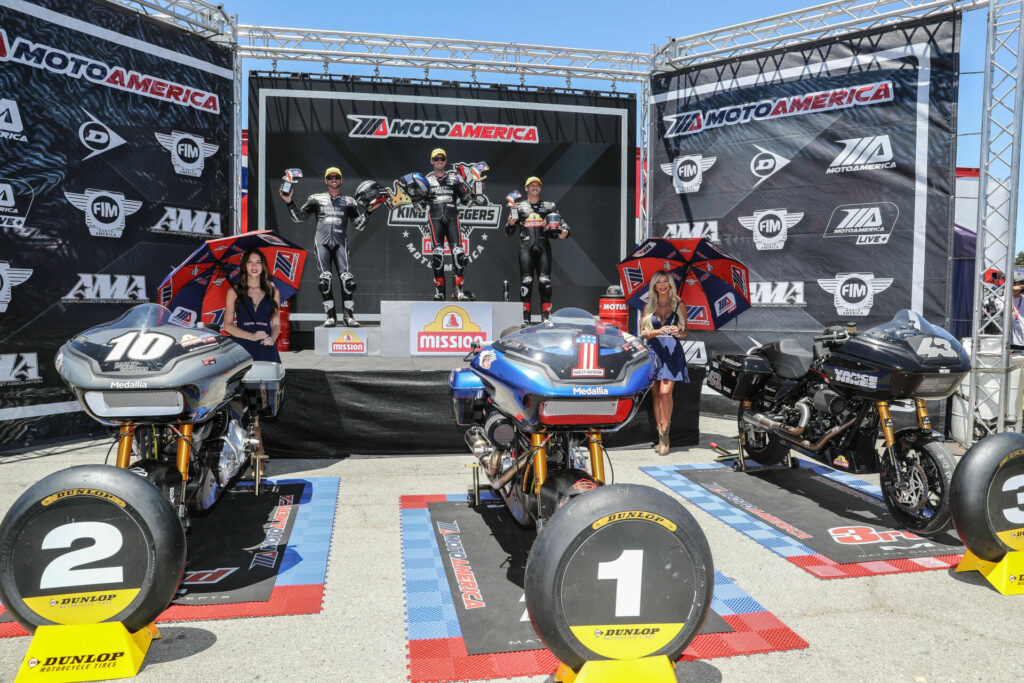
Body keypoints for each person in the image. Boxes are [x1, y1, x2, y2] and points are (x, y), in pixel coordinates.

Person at [280, 166, 379, 327]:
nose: (334, 180)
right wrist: (289, 202)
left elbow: (358, 226)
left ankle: (349, 316)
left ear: (341, 180)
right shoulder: (316, 199)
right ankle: (330, 316)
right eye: (330, 177)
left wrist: (369, 212)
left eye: (336, 177)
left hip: (340, 243)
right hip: (322, 244)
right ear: (326, 180)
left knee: (347, 279)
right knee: (324, 279)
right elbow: (298, 218)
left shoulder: (349, 201)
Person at [506, 176, 569, 324]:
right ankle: (525, 319)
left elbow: (563, 226)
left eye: (537, 185)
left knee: (544, 281)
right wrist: (510, 224)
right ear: (526, 188)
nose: (535, 187)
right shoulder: (518, 207)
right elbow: (508, 233)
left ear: (540, 188)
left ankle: (547, 319)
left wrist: (564, 232)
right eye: (531, 185)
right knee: (526, 281)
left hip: (543, 247)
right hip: (526, 247)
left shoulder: (549, 206)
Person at [638, 270, 688, 455]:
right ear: (654, 286)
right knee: (657, 395)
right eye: (658, 281)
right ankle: (660, 435)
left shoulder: (679, 304)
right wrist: (659, 331)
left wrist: (678, 331)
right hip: (654, 352)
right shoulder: (649, 305)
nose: (662, 284)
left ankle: (666, 435)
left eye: (665, 281)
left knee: (666, 392)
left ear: (670, 285)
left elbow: (685, 331)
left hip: (673, 352)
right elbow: (643, 333)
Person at [420, 148, 477, 301]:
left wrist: (473, 193)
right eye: (436, 158)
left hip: (452, 218)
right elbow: (419, 205)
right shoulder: (426, 180)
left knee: (458, 253)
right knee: (437, 255)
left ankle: (457, 291)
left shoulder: (455, 179)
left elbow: (467, 201)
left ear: (445, 161)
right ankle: (439, 292)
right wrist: (415, 199)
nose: (439, 161)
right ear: (431, 161)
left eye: (442, 158)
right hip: (435, 219)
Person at [224, 248, 282, 363]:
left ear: (263, 266)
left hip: (266, 348)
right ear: (245, 266)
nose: (254, 266)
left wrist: (272, 339)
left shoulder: (273, 292)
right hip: (242, 349)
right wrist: (252, 336)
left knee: (268, 380)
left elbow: (276, 324)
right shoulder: (234, 291)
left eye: (258, 262)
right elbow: (227, 326)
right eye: (250, 262)